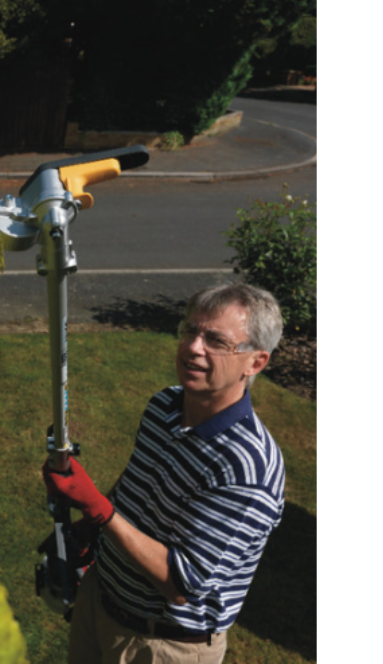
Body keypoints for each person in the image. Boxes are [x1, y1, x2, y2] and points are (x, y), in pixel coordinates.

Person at [42, 282, 285, 664]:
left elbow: (181, 584)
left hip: (161, 644)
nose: (193, 347)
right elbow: (139, 483)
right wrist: (89, 528)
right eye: (191, 330)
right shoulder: (165, 404)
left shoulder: (247, 468)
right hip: (100, 600)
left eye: (216, 341)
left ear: (255, 362)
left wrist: (97, 509)